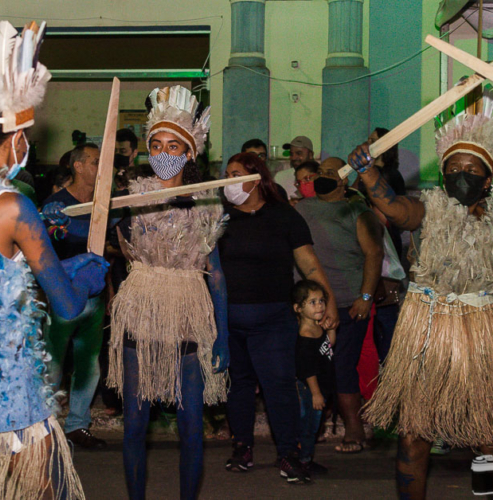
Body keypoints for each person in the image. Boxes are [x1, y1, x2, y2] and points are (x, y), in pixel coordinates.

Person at [348, 102, 493, 499]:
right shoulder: (428, 209)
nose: (460, 176)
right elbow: (395, 210)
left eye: (472, 170)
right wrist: (368, 171)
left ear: (489, 178)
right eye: (453, 169)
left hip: (482, 332)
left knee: (488, 434)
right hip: (428, 330)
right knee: (414, 434)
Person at [0, 20, 107, 498]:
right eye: (28, 134)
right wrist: (86, 274)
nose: (29, 145)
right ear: (14, 135)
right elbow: (64, 305)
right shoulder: (11, 207)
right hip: (9, 393)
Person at [106, 85, 229, 500]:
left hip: (188, 315)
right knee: (135, 425)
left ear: (190, 152)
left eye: (173, 144)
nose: (162, 152)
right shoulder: (131, 198)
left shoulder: (207, 204)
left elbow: (216, 275)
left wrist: (223, 335)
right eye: (155, 144)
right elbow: (101, 237)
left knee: (192, 425)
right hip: (140, 313)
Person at [218, 152, 338, 483]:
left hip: (272, 320)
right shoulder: (220, 219)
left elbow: (309, 263)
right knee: (237, 386)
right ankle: (241, 448)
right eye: (226, 174)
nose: (229, 180)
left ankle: (288, 453)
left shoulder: (284, 216)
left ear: (256, 178)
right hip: (230, 321)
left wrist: (327, 302)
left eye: (236, 174)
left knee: (279, 387)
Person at [294, 157, 384, 454]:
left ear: (344, 180)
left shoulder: (356, 210)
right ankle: (312, 429)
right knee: (309, 368)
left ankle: (354, 431)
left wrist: (365, 297)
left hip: (347, 303)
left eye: (329, 173)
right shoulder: (300, 209)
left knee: (342, 366)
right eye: (319, 172)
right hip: (309, 306)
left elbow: (374, 255)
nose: (321, 177)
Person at [41, 143, 108, 450]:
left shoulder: (107, 202)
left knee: (88, 364)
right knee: (53, 365)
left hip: (94, 298)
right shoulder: (56, 205)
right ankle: (47, 428)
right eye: (95, 162)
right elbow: (44, 252)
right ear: (78, 166)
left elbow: (118, 245)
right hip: (61, 298)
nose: (100, 167)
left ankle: (78, 425)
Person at [292, 279, 335, 477]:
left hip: (322, 386)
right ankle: (302, 461)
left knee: (313, 425)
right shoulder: (306, 335)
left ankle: (305, 458)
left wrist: (331, 329)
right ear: (298, 308)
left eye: (321, 301)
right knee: (308, 426)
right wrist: (316, 394)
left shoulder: (317, 328)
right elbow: (307, 369)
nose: (319, 305)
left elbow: (328, 345)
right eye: (312, 302)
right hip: (311, 388)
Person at [274, 136, 315, 200]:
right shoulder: (280, 177)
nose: (293, 158)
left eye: (299, 153)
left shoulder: (319, 177)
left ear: (310, 155)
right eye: (291, 154)